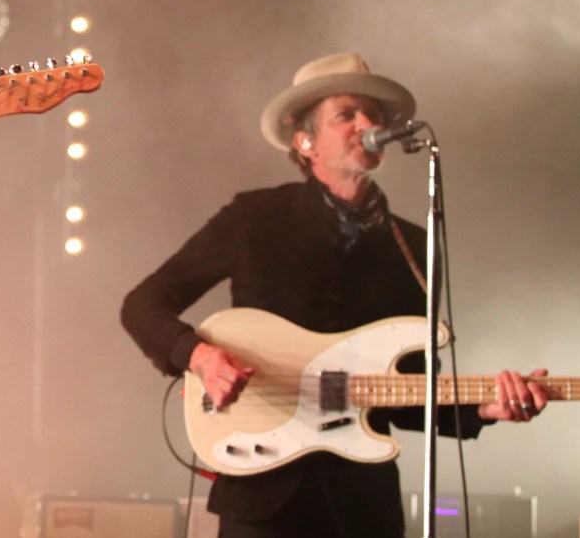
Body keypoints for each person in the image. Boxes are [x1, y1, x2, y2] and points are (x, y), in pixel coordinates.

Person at [121, 52, 548, 538]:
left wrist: (482, 410)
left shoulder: (414, 246)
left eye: (374, 115)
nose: (367, 124)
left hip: (362, 508)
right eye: (346, 114)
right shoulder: (254, 217)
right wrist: (198, 356)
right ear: (305, 141)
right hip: (262, 497)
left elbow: (405, 393)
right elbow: (142, 303)